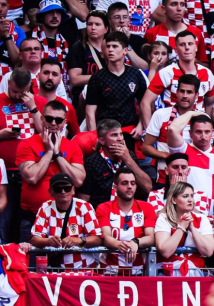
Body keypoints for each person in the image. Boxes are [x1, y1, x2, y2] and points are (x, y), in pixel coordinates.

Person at [17, 100, 84, 242]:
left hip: (65, 216)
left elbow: (78, 181)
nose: (53, 123)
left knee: (64, 257)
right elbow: (32, 178)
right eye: (49, 119)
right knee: (29, 257)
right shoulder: (26, 144)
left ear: (64, 122)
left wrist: (58, 154)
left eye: (58, 120)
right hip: (32, 216)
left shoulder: (73, 147)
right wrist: (49, 152)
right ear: (42, 119)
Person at [142, 31, 214, 127]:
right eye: (182, 44)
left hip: (197, 128)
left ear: (196, 47)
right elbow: (145, 102)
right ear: (176, 50)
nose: (187, 47)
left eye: (190, 44)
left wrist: (206, 125)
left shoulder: (207, 73)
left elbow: (210, 104)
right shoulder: (166, 73)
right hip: (171, 126)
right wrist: (149, 131)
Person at [30, 173, 102, 269]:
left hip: (83, 268)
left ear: (73, 190)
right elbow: (34, 239)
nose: (63, 192)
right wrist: (48, 241)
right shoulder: (45, 208)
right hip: (56, 268)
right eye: (58, 189)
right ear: (50, 192)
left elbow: (98, 239)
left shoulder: (84, 207)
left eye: (67, 188)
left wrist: (78, 240)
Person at [78, 120, 153, 209]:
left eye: (121, 134)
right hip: (101, 212)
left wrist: (128, 159)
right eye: (114, 135)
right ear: (102, 140)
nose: (120, 138)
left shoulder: (130, 156)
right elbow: (83, 200)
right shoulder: (91, 163)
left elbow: (147, 187)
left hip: (128, 212)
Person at [168, 111, 214, 206]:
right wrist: (191, 113)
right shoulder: (183, 150)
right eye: (198, 132)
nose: (203, 136)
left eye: (207, 132)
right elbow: (172, 129)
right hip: (188, 209)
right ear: (190, 133)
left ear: (212, 132)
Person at [96, 169, 157, 274]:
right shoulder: (104, 208)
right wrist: (119, 244)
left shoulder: (147, 207)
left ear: (136, 186)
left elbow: (151, 237)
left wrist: (136, 242)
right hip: (109, 272)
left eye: (133, 183)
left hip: (139, 273)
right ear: (115, 187)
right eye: (125, 183)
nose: (129, 186)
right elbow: (106, 237)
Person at [85, 32, 147, 134]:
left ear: (125, 51)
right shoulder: (97, 77)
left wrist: (140, 126)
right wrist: (93, 136)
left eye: (114, 46)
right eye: (108, 46)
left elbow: (144, 104)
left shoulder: (135, 74)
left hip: (130, 129)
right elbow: (90, 111)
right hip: (105, 130)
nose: (110, 50)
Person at [143, 74, 199, 181]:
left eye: (189, 92)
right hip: (164, 178)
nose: (185, 95)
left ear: (197, 95)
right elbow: (146, 147)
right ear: (176, 92)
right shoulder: (160, 114)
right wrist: (169, 156)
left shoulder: (202, 119)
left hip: (194, 178)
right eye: (182, 91)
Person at [154, 181, 214, 272]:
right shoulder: (164, 218)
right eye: (185, 196)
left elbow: (209, 251)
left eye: (192, 196)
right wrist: (181, 227)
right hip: (169, 273)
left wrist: (192, 229)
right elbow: (165, 252)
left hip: (195, 272)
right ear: (174, 200)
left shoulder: (202, 218)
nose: (190, 200)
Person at [144, 0, 208, 63]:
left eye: (182, 4)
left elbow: (204, 65)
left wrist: (192, 60)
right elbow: (146, 64)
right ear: (164, 9)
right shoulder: (152, 32)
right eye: (174, 4)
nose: (179, 8)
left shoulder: (196, 32)